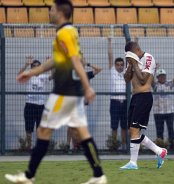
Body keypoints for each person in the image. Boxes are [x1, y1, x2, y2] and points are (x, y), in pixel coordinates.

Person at [5, 1, 107, 184]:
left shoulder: (65, 32)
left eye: (51, 9)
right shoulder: (68, 32)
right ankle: (99, 175)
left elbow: (76, 60)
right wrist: (30, 72)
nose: (49, 12)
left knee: (44, 131)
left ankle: (29, 176)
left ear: (59, 12)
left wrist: (88, 86)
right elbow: (52, 62)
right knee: (82, 134)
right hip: (71, 92)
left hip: (63, 92)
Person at [120, 41, 167, 170]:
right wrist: (130, 65)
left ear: (137, 50)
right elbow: (126, 79)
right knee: (133, 131)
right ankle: (159, 151)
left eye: (130, 55)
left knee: (135, 130)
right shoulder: (132, 61)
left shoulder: (148, 58)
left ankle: (133, 163)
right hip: (135, 98)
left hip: (144, 97)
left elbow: (142, 79)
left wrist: (134, 63)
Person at [66, 53, 102, 153]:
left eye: (82, 60)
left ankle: (78, 145)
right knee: (71, 126)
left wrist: (88, 64)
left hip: (83, 105)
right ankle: (68, 146)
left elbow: (99, 69)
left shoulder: (86, 74)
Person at [18, 56, 51, 151]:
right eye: (34, 66)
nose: (36, 68)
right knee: (29, 128)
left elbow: (52, 76)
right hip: (30, 104)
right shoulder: (29, 76)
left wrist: (50, 65)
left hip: (40, 106)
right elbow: (19, 75)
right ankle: (29, 146)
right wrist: (26, 65)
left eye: (38, 66)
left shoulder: (43, 76)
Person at [153, 59, 174, 149]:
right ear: (157, 77)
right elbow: (150, 79)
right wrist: (154, 70)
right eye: (160, 76)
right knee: (159, 131)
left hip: (169, 111)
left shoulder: (169, 83)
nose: (162, 77)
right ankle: (160, 147)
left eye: (163, 76)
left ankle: (172, 146)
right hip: (158, 112)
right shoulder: (155, 85)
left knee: (170, 129)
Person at [108, 37, 127, 150]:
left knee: (124, 127)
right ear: (115, 66)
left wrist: (130, 43)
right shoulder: (112, 72)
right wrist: (109, 43)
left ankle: (124, 146)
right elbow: (110, 57)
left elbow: (129, 58)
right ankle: (114, 146)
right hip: (114, 102)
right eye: (118, 65)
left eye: (121, 65)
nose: (120, 66)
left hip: (125, 102)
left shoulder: (126, 72)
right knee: (114, 126)